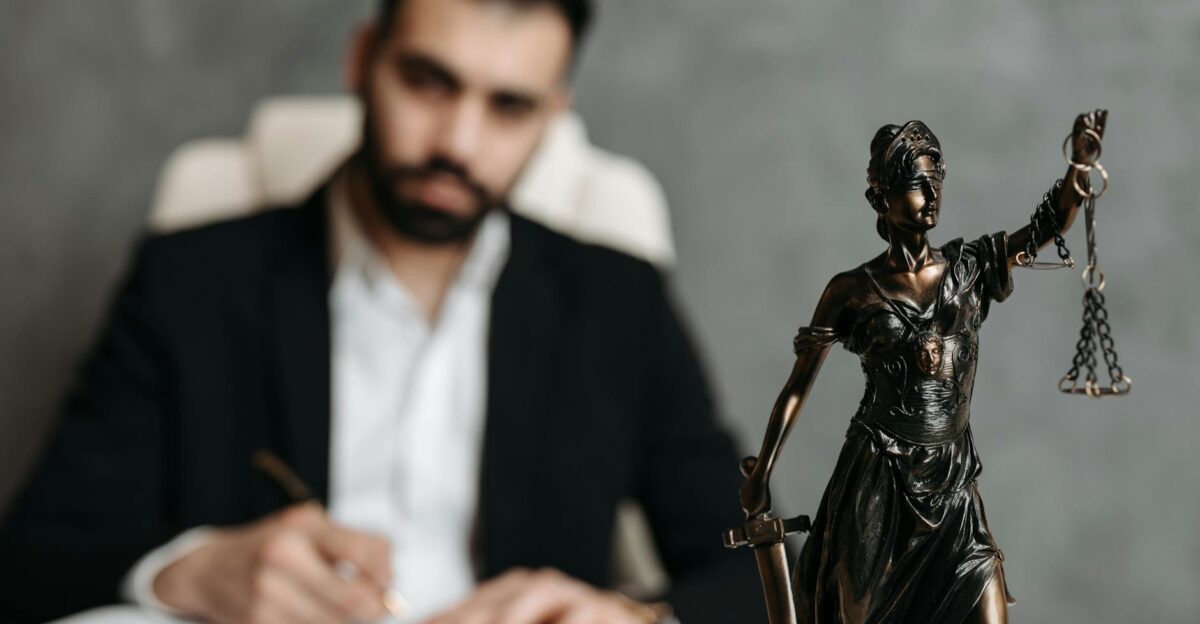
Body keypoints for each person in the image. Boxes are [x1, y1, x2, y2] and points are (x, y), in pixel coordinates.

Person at [0, 0, 764, 622]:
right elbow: (35, 557)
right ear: (362, 61)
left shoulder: (617, 300)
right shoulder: (194, 278)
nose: (457, 143)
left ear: (553, 116)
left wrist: (631, 620)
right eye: (429, 82)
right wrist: (192, 570)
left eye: (508, 106)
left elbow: (765, 569)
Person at [737, 112, 1107, 622]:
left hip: (952, 484)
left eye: (935, 181)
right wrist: (763, 471)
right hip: (879, 483)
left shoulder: (970, 268)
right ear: (881, 200)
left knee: (987, 596)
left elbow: (1050, 224)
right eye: (916, 184)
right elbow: (798, 386)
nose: (931, 195)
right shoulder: (851, 291)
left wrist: (1079, 168)